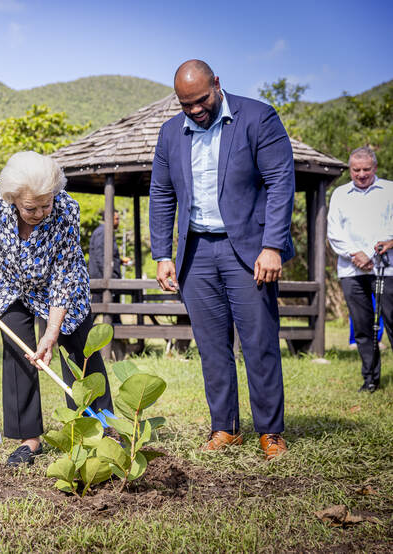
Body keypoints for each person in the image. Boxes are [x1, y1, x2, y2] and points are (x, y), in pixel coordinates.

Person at [149, 60, 295, 461]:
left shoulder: (258, 117)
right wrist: (162, 254)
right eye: (185, 104)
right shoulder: (169, 134)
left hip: (247, 249)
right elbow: (161, 194)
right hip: (196, 251)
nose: (195, 110)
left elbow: (281, 180)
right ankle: (225, 428)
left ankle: (270, 432)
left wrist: (273, 245)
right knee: (211, 346)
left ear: (217, 84)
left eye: (200, 100)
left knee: (259, 342)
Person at [0, 151, 114, 466]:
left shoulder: (66, 210)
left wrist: (51, 333)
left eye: (45, 204)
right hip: (8, 285)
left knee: (81, 352)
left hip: (60, 285)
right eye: (30, 207)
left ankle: (101, 429)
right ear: (12, 198)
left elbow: (65, 275)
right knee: (19, 353)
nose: (39, 213)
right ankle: (29, 440)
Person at [327, 146, 393, 393]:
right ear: (350, 170)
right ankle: (370, 378)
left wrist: (385, 245)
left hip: (387, 269)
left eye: (366, 169)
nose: (362, 174)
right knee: (363, 326)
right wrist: (356, 254)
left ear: (374, 168)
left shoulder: (390, 190)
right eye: (356, 170)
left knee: (392, 320)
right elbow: (334, 233)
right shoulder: (340, 194)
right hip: (352, 270)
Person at [88, 209, 130, 305]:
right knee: (96, 307)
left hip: (108, 277)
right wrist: (109, 275)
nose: (118, 222)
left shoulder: (107, 232)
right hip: (102, 278)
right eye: (116, 219)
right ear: (109, 219)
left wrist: (119, 261)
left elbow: (107, 255)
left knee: (113, 307)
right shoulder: (102, 232)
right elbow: (100, 256)